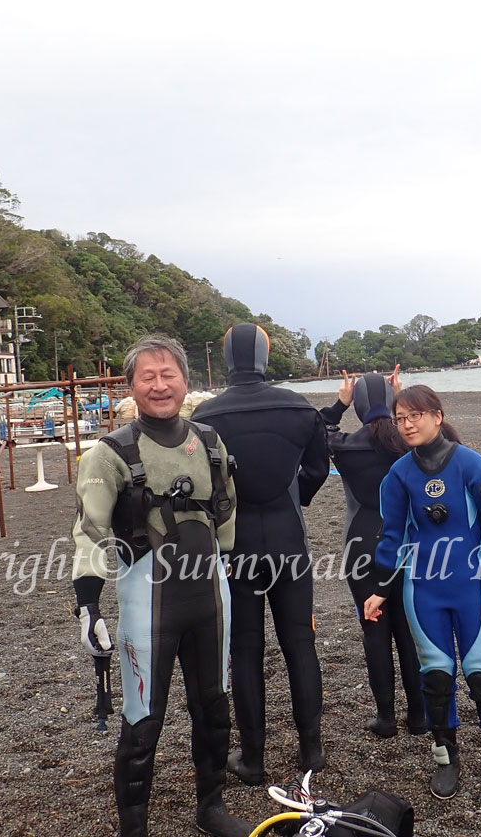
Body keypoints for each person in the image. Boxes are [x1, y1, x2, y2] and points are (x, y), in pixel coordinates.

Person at [71, 334, 252, 837]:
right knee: (143, 720)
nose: (159, 384)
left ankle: (210, 808)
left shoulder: (210, 443)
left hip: (210, 598)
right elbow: (88, 531)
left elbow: (227, 513)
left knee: (214, 707)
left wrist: (233, 569)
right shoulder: (109, 454)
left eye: (167, 373)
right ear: (130, 386)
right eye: (146, 376)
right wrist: (87, 607)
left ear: (185, 381)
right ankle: (134, 828)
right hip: (147, 605)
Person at [192, 323, 330, 784]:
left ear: (229, 357)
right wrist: (298, 496)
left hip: (237, 545)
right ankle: (311, 749)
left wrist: (225, 509)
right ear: (265, 357)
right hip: (288, 537)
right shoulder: (298, 407)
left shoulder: (208, 415)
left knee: (245, 651)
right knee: (300, 645)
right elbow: (317, 466)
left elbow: (203, 484)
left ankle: (253, 757)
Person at [363, 385, 481, 801]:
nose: (407, 424)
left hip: (473, 587)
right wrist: (380, 589)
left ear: (437, 415)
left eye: (415, 416)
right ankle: (446, 758)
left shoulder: (473, 466)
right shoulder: (399, 475)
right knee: (435, 676)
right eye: (400, 418)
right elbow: (392, 536)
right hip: (423, 589)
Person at [319, 369, 426, 738]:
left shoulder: (344, 445)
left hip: (362, 540)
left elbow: (315, 430)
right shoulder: (409, 440)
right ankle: (419, 715)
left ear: (359, 404)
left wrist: (339, 402)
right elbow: (437, 432)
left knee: (375, 628)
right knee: (410, 629)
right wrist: (404, 396)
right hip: (409, 541)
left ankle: (386, 718)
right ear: (392, 402)